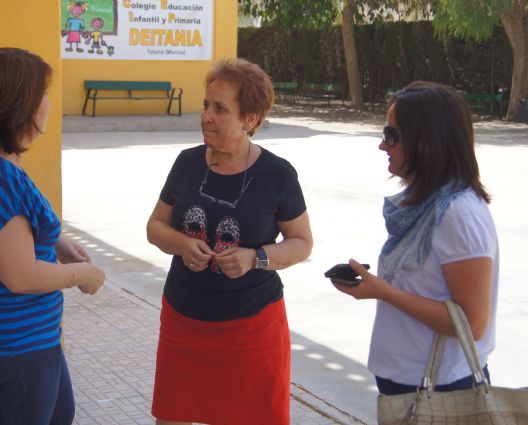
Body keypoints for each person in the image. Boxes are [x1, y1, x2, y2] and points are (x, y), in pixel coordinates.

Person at [146, 58, 313, 425]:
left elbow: (301, 243)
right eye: (206, 105)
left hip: (251, 330)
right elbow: (155, 226)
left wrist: (256, 257)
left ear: (249, 119)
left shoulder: (277, 174)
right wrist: (180, 243)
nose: (206, 116)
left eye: (220, 108)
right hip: (183, 322)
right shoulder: (187, 163)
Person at [0, 47, 105, 424]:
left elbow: (9, 224)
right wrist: (83, 276)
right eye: (42, 94)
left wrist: (58, 243)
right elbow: (20, 276)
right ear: (22, 105)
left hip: (21, 339)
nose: (48, 103)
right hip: (9, 342)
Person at [333, 81, 499, 395]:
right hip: (412, 381)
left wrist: (385, 292)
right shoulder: (429, 202)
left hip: (441, 386)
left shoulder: (459, 213)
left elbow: (472, 324)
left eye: (391, 135)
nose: (383, 145)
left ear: (427, 142)